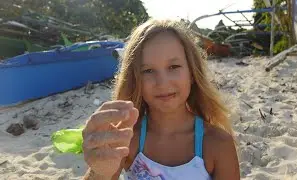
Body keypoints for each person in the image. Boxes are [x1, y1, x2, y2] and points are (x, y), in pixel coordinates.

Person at [82, 19, 240, 180]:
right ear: (135, 80)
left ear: (192, 73)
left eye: (173, 67)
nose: (162, 83)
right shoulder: (127, 139)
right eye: (148, 70)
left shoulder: (218, 144)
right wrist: (99, 173)